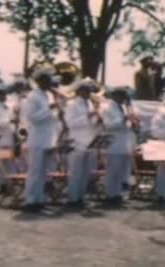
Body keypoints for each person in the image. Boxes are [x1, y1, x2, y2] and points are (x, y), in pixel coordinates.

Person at [23, 67, 59, 212]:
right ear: (40, 81)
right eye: (48, 79)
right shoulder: (32, 96)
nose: (51, 82)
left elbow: (51, 118)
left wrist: (56, 110)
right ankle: (30, 201)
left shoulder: (48, 95)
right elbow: (32, 118)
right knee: (35, 172)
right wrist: (49, 108)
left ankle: (40, 201)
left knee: (44, 173)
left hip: (48, 138)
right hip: (37, 139)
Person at [64, 77, 100, 209]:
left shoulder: (89, 104)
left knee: (85, 172)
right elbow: (70, 123)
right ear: (79, 90)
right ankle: (73, 199)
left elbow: (91, 123)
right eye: (85, 90)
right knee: (75, 172)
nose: (88, 93)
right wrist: (88, 116)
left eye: (89, 90)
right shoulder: (72, 104)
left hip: (88, 141)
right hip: (76, 141)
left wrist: (97, 120)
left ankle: (81, 197)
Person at [101, 86, 139, 205]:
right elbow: (108, 125)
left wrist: (132, 124)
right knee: (112, 172)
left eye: (125, 96)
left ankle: (117, 195)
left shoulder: (123, 107)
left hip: (123, 143)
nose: (124, 98)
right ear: (115, 95)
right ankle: (109, 195)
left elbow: (125, 125)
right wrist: (124, 118)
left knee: (121, 172)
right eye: (122, 95)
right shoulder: (106, 107)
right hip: (114, 143)